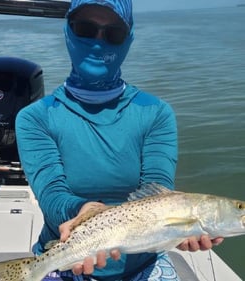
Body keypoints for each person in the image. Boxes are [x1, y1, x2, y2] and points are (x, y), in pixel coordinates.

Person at [15, 0, 223, 280]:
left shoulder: (155, 113)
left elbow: (157, 190)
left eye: (113, 33)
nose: (98, 42)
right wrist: (84, 211)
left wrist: (182, 232)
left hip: (142, 265)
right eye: (86, 29)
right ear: (68, 31)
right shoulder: (35, 117)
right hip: (65, 254)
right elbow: (52, 195)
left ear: (128, 40)